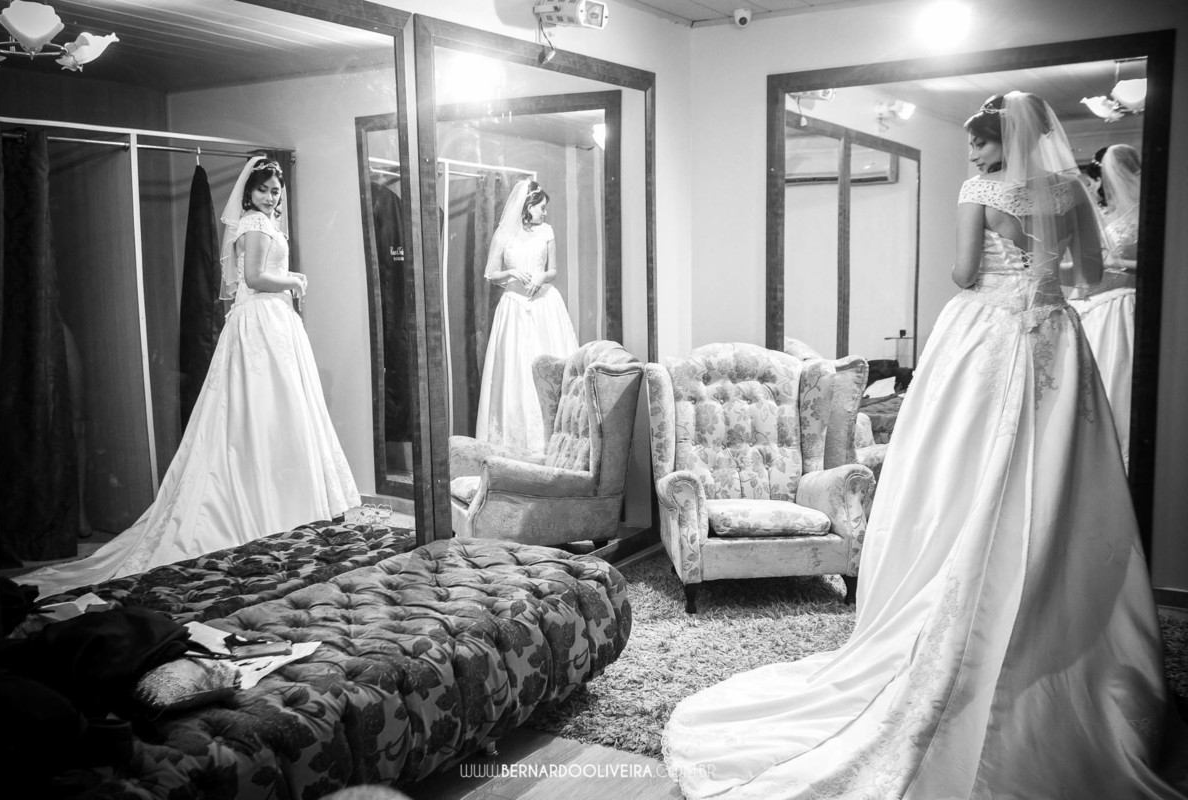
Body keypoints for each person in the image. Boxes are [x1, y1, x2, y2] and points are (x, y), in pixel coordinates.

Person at [662, 93, 1186, 798]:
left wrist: (998, 266)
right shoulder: (1068, 192)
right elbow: (1090, 277)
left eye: (980, 143)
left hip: (989, 337)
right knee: (1057, 475)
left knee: (962, 469)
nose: (973, 155)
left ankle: (962, 600)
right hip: (1058, 338)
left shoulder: (981, 192)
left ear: (1003, 141)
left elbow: (964, 273)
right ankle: (1054, 623)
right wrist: (1043, 272)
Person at [20, 157, 360, 599]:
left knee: (275, 411)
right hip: (262, 321)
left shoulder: (264, 222)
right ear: (249, 191)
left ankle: (284, 500)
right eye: (262, 189)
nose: (270, 196)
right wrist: (295, 280)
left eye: (275, 190)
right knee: (267, 410)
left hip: (269, 322)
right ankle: (271, 503)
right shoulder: (256, 223)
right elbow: (254, 277)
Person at [474, 179, 578, 454]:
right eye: (541, 207)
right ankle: (514, 441)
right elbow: (491, 274)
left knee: (548, 361)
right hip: (514, 307)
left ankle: (552, 438)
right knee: (515, 369)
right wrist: (511, 272)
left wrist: (542, 277)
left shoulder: (547, 231)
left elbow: (553, 269)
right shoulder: (505, 234)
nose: (545, 212)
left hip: (545, 305)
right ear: (528, 206)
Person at [1071, 142, 1141, 470]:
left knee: (1119, 377)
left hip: (1125, 303)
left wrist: (1118, 263)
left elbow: (1159, 262)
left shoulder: (1147, 213)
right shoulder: (1107, 213)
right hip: (1098, 302)